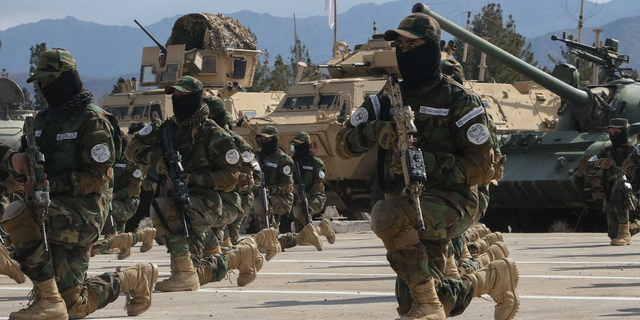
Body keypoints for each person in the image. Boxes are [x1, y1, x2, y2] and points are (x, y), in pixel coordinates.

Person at [335, 13, 518, 320]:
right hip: (409, 202)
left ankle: (429, 302)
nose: (404, 51)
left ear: (430, 48)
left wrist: (427, 163)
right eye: (400, 45)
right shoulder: (387, 98)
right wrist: (378, 131)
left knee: (386, 214)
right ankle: (492, 277)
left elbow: (482, 168)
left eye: (413, 44)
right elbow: (344, 142)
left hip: (455, 199)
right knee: (433, 301)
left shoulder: (459, 99)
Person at [3, 48, 157, 320]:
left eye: (48, 80)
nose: (43, 86)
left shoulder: (93, 120)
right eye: (39, 81)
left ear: (66, 79)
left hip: (84, 211)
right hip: (48, 207)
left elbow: (96, 178)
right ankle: (134, 278)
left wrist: (49, 186)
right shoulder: (42, 120)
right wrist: (20, 168)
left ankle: (48, 300)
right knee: (75, 306)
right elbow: (31, 168)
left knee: (19, 217)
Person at [126, 75, 261, 291]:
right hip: (181, 199)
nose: (178, 99)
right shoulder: (166, 128)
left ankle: (184, 274)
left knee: (165, 213)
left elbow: (230, 178)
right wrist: (157, 161)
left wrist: (192, 179)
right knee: (201, 267)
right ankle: (238, 257)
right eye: (175, 95)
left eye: (183, 95)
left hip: (215, 201)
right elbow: (132, 148)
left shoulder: (215, 135)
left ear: (196, 98)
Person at [253, 126, 323, 251]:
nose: (264, 141)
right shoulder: (257, 155)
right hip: (267, 195)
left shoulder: (284, 159)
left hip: (283, 198)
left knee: (295, 210)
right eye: (262, 138)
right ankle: (280, 239)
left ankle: (271, 240)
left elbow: (287, 186)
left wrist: (270, 190)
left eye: (267, 138)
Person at [90, 132, 156, 260]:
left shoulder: (131, 161)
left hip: (128, 202)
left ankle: (112, 239)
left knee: (105, 209)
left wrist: (114, 195)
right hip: (110, 199)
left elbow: (135, 189)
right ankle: (143, 235)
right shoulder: (107, 158)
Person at [590, 118, 639, 245]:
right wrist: (597, 164)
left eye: (616, 133)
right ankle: (635, 225)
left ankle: (625, 233)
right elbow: (588, 167)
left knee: (620, 191)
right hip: (611, 193)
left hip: (634, 193)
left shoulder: (634, 150)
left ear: (624, 132)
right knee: (613, 234)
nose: (613, 136)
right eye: (610, 133)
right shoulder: (606, 151)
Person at [289, 132, 335, 244]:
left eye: (299, 144)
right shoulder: (291, 162)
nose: (297, 147)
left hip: (315, 197)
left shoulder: (316, 163)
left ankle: (321, 231)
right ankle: (323, 229)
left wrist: (304, 196)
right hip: (297, 198)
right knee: (302, 237)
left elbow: (318, 186)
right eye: (295, 144)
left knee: (300, 212)